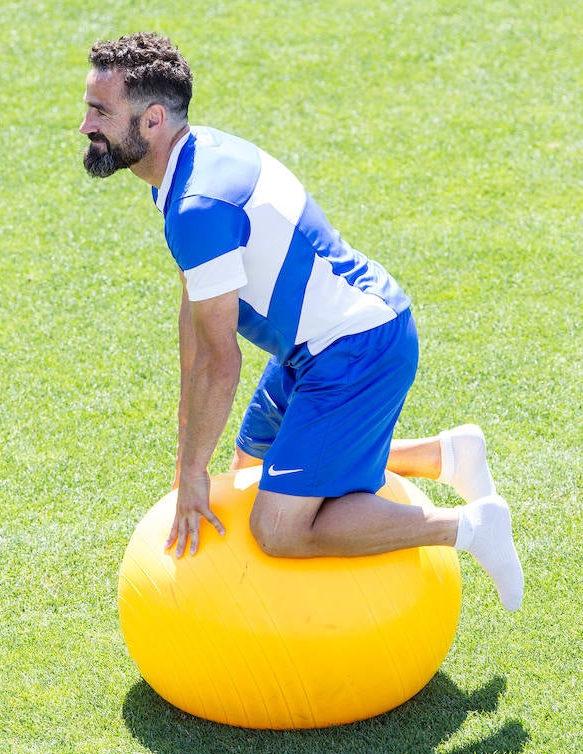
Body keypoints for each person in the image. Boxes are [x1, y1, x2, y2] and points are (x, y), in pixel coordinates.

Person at [80, 32, 524, 611]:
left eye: (100, 112)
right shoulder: (193, 162)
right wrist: (189, 458)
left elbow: (220, 360)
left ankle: (468, 528)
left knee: (278, 527)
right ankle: (447, 455)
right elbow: (195, 313)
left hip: (356, 349)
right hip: (318, 347)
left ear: (153, 119)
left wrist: (192, 473)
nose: (86, 127)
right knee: (252, 466)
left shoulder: (198, 208)